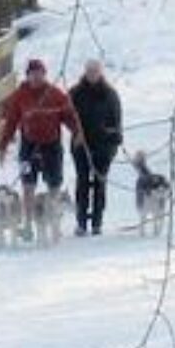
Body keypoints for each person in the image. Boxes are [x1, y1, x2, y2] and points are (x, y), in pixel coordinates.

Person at [0, 57, 85, 241]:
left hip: (51, 145)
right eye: (32, 74)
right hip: (29, 146)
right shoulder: (20, 95)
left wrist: (77, 132)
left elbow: (69, 115)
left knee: (54, 185)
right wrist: (4, 145)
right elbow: (11, 121)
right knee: (28, 185)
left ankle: (54, 224)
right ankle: (28, 224)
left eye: (40, 74)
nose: (36, 78)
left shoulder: (55, 94)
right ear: (27, 76)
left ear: (45, 75)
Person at [69, 58, 123, 236]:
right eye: (89, 71)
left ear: (100, 73)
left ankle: (97, 221)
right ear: (85, 72)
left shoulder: (110, 95)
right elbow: (67, 115)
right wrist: (76, 132)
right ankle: (81, 221)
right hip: (81, 144)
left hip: (103, 145)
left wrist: (114, 140)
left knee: (100, 182)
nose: (92, 74)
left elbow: (116, 121)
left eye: (95, 71)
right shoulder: (75, 93)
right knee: (82, 181)